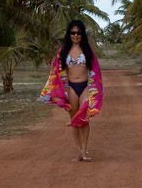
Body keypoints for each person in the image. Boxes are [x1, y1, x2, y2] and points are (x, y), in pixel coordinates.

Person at [39, 19, 104, 161]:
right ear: (69, 34)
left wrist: (95, 90)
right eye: (73, 33)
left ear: (82, 34)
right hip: (71, 88)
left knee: (84, 118)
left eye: (79, 33)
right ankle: (79, 152)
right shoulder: (62, 52)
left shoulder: (88, 51)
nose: (76, 35)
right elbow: (55, 72)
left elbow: (95, 72)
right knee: (74, 119)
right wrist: (56, 92)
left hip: (85, 86)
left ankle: (85, 151)